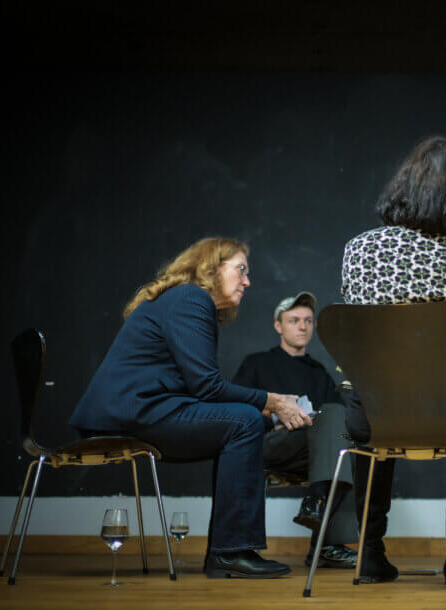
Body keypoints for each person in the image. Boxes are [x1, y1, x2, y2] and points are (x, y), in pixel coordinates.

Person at [69, 237, 312, 579]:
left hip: (143, 410)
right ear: (212, 268)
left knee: (243, 420)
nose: (248, 281)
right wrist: (270, 401)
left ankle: (230, 550)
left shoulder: (186, 302)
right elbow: (207, 387)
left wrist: (260, 406)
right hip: (134, 413)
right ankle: (231, 552)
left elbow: (197, 389)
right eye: (240, 270)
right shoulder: (190, 298)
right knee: (244, 421)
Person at [340, 136, 446, 585]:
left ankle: (369, 554)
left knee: (376, 405)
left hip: (374, 413)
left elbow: (362, 334)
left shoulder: (359, 250)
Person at [233, 291, 359, 570]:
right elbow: (235, 410)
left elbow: (340, 421)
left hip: (314, 451)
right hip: (269, 443)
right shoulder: (257, 363)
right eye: (294, 320)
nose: (302, 327)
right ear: (278, 326)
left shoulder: (318, 372)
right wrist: (277, 413)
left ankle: (320, 517)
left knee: (348, 439)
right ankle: (326, 536)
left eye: (308, 321)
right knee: (335, 428)